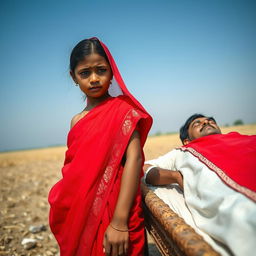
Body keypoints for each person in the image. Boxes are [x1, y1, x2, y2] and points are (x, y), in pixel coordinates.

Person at [48, 37, 152, 256]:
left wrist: (119, 222)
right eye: (85, 73)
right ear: (73, 77)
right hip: (80, 207)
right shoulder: (77, 121)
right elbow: (76, 169)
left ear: (112, 72)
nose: (94, 79)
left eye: (101, 70)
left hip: (116, 206)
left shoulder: (123, 110)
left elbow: (134, 159)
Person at [143, 114, 256, 256]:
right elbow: (144, 168)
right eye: (197, 123)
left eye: (210, 121)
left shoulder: (241, 138)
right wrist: (175, 176)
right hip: (242, 207)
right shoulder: (184, 151)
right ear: (186, 140)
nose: (206, 123)